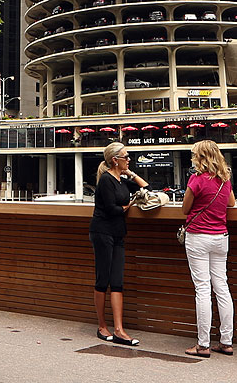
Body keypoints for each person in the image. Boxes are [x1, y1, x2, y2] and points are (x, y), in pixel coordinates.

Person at [89, 140, 148, 346]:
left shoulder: (122, 180)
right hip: (102, 232)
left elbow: (145, 186)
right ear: (115, 160)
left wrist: (130, 174)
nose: (129, 159)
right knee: (102, 279)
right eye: (126, 157)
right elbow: (112, 209)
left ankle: (119, 330)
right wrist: (130, 203)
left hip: (117, 233)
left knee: (117, 280)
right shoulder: (106, 180)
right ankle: (102, 326)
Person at [180, 140, 236, 357]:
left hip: (199, 237)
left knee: (202, 289)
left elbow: (185, 208)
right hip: (221, 237)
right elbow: (230, 203)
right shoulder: (224, 180)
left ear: (200, 157)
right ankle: (226, 341)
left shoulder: (196, 179)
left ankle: (203, 344)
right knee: (222, 287)